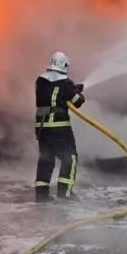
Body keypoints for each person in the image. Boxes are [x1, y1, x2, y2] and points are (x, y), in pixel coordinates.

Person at [34, 51, 86, 202]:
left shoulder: (40, 80)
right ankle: (65, 193)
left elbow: (53, 94)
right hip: (59, 128)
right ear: (64, 66)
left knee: (46, 158)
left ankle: (41, 195)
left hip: (42, 128)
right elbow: (77, 101)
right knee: (70, 157)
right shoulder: (66, 82)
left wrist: (72, 88)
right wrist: (77, 92)